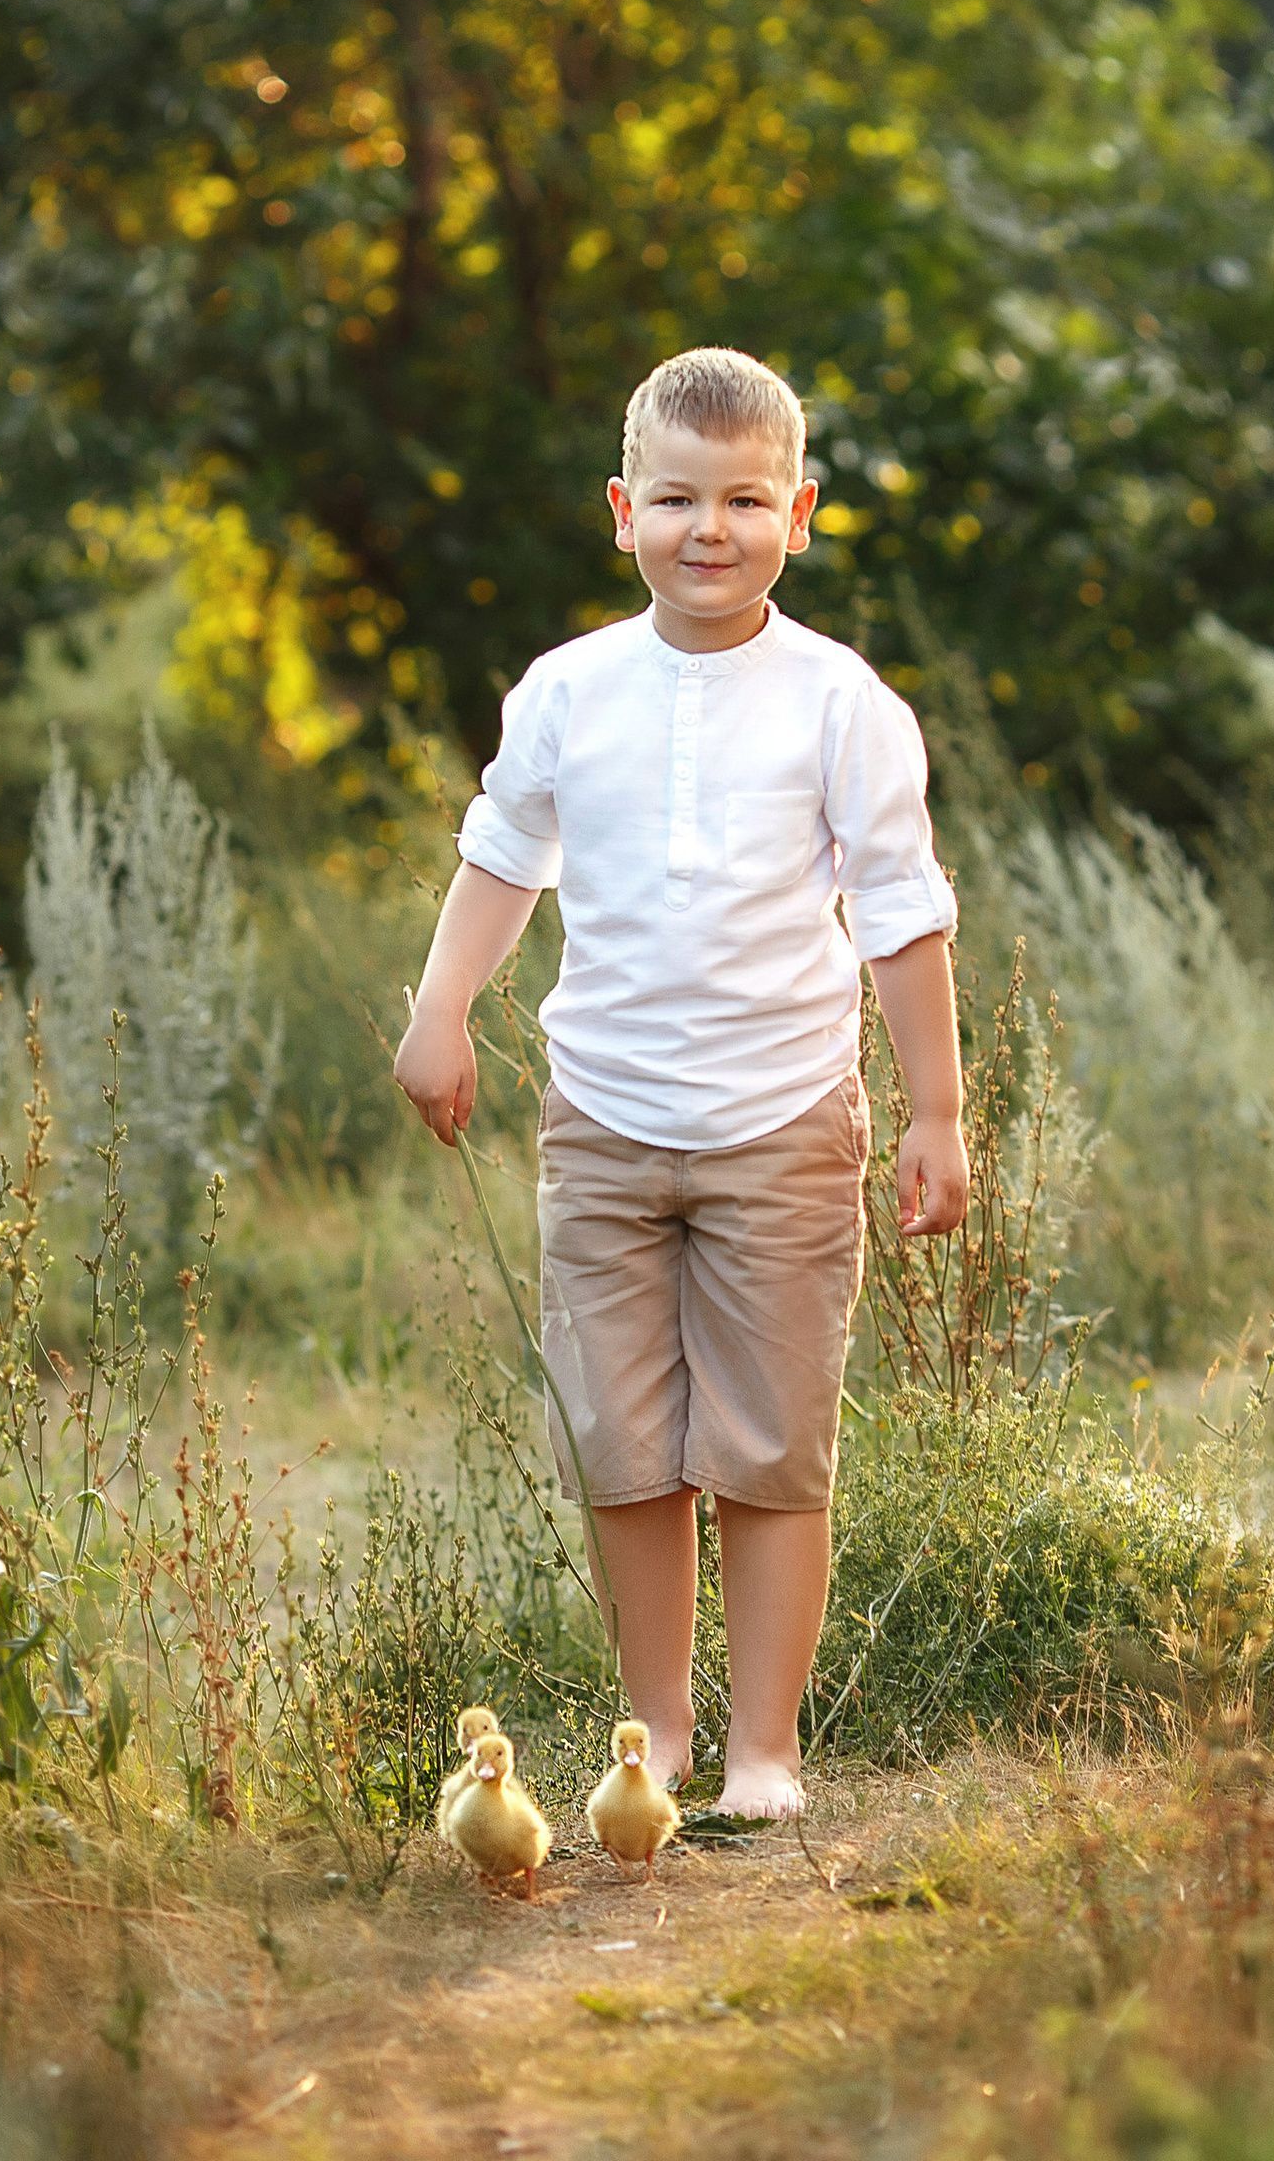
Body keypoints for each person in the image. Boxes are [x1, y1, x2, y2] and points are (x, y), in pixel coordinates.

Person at [393, 346, 970, 1820]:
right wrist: (440, 1011)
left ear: (800, 511)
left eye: (743, 500)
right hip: (604, 1120)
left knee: (772, 1444)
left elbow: (901, 913)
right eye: (675, 500)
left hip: (784, 1119)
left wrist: (936, 1109)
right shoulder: (571, 691)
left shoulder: (841, 703)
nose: (707, 530)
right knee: (624, 1445)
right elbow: (503, 855)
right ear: (621, 510)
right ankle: (652, 1736)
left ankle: (763, 1752)